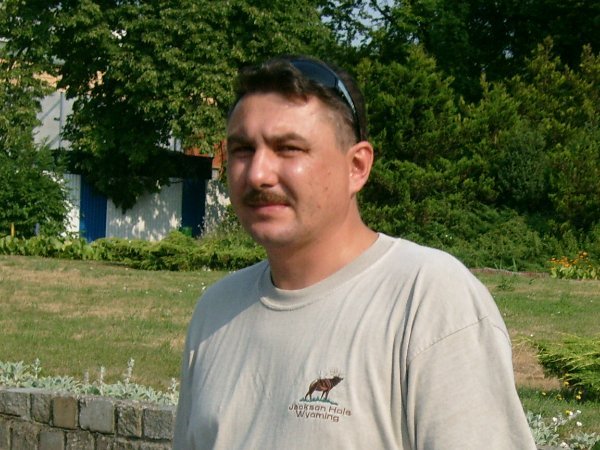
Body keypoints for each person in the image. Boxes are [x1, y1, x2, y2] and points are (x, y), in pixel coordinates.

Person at [173, 55, 537, 450]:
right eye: (243, 150)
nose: (258, 174)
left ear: (357, 167)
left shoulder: (428, 300)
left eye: (288, 148)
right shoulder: (216, 310)